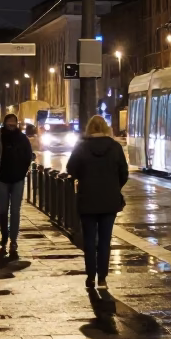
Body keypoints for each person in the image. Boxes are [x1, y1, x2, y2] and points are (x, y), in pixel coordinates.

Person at [66, 115, 129, 289]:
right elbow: (124, 173)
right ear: (106, 128)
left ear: (89, 128)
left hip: (87, 199)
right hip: (109, 200)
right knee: (104, 240)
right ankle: (102, 278)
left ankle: (90, 276)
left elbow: (71, 169)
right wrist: (115, 187)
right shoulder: (115, 147)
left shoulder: (81, 147)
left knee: (89, 239)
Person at [0, 114, 33, 258]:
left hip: (17, 180)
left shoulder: (22, 138)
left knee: (15, 211)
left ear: (16, 123)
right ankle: (4, 236)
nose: (11, 125)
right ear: (4, 123)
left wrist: (22, 170)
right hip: (2, 179)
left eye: (13, 122)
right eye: (8, 122)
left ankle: (13, 240)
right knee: (3, 210)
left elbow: (29, 155)